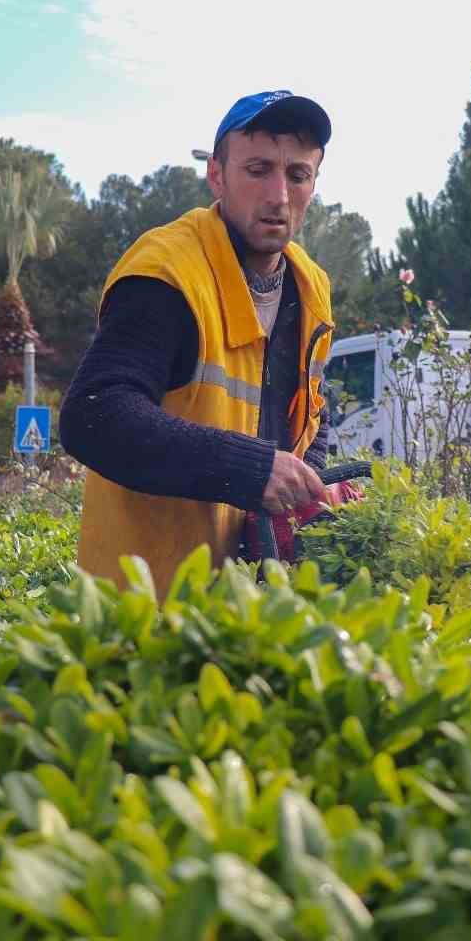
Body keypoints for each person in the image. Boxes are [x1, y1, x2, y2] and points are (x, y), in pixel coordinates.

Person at [61, 90, 338, 588]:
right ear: (217, 175)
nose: (278, 195)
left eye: (298, 175)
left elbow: (314, 416)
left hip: (252, 616)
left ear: (314, 184)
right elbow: (94, 415)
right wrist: (252, 469)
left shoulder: (312, 286)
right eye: (258, 170)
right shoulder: (168, 273)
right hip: (143, 612)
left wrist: (309, 482)